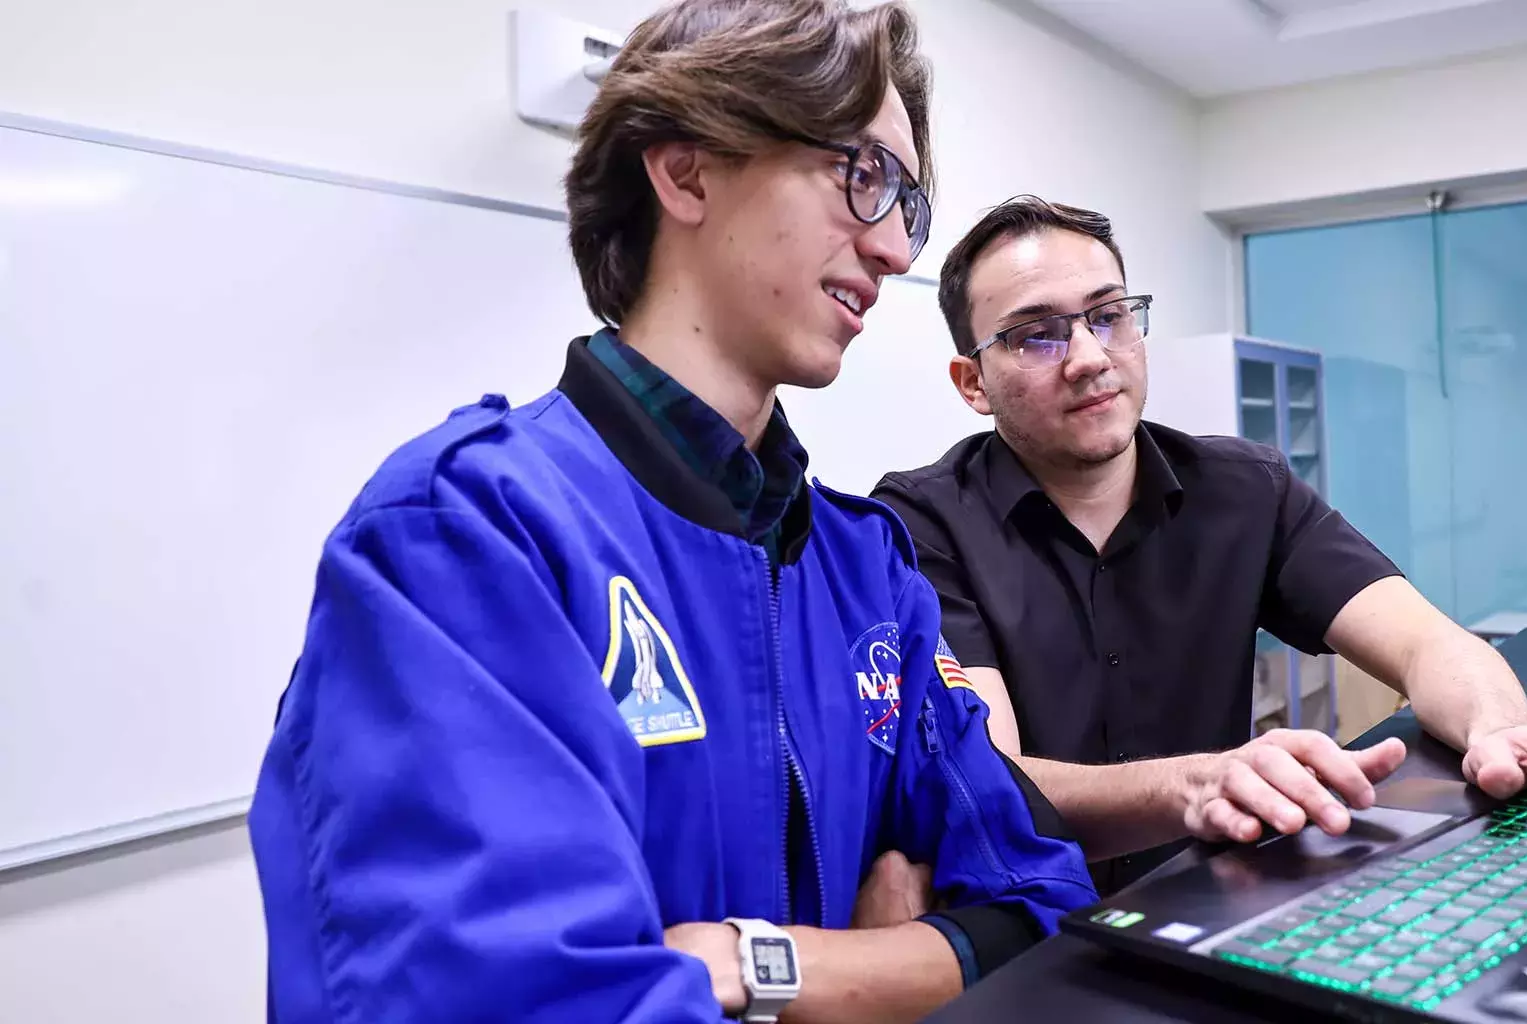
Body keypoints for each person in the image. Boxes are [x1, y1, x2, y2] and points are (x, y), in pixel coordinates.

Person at [247, 6, 1096, 1022]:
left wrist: (765, 964)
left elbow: (1042, 906)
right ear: (686, 169)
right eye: (861, 175)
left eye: (904, 200)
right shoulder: (466, 536)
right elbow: (525, 1001)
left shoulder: (865, 568)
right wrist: (890, 968)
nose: (890, 248)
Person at [872, 196, 1527, 895]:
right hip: (1026, 917)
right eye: (1035, 336)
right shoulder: (919, 524)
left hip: (1210, 890)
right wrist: (1196, 785)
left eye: (1108, 314)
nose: (1088, 357)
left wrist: (1501, 737)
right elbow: (994, 782)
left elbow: (1427, 644)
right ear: (971, 382)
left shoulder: (1244, 489)